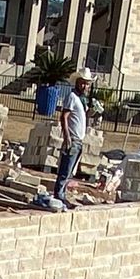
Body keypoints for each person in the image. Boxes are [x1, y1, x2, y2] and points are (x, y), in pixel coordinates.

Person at [53, 70, 91, 205]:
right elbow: (64, 116)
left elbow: (81, 117)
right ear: (77, 83)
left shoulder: (82, 100)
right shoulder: (72, 97)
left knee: (70, 170)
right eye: (83, 83)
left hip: (79, 140)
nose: (85, 87)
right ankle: (59, 195)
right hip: (73, 139)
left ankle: (62, 194)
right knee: (65, 169)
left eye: (87, 84)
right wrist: (67, 137)